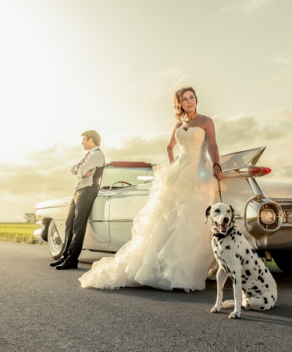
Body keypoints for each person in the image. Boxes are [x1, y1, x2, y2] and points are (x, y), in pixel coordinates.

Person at [79, 86, 223, 291]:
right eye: (185, 99)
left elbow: (213, 146)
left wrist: (216, 165)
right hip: (180, 171)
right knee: (168, 220)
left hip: (198, 172)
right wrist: (173, 163)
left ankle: (185, 271)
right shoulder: (178, 124)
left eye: (192, 98)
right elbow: (169, 147)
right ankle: (165, 270)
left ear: (196, 100)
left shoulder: (206, 121)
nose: (190, 101)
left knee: (192, 221)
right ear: (179, 104)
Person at [52, 130, 106, 270]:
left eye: (83, 140)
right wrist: (80, 169)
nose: (81, 143)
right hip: (79, 190)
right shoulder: (88, 156)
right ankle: (65, 256)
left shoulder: (97, 155)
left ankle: (72, 260)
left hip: (88, 189)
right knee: (69, 224)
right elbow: (74, 169)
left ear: (91, 140)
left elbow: (81, 171)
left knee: (78, 225)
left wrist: (80, 170)